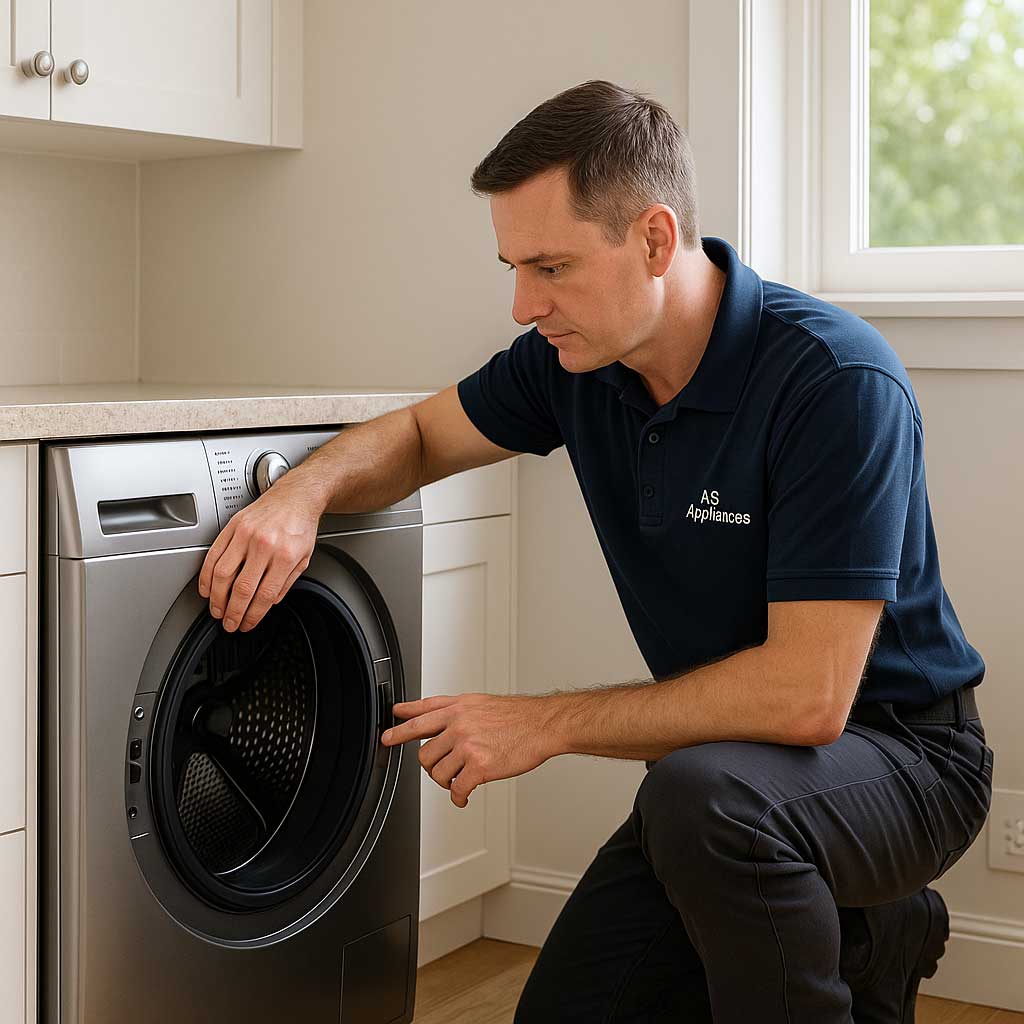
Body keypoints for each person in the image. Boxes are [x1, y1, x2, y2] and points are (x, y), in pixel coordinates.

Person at [197, 80, 994, 1022]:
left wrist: (543, 722)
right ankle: (859, 928)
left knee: (706, 800)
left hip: (902, 758)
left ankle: (869, 926)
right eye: (513, 267)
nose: (522, 304)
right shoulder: (576, 364)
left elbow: (809, 697)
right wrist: (301, 493)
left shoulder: (833, 381)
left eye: (551, 267)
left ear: (654, 240)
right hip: (722, 777)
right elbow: (416, 437)